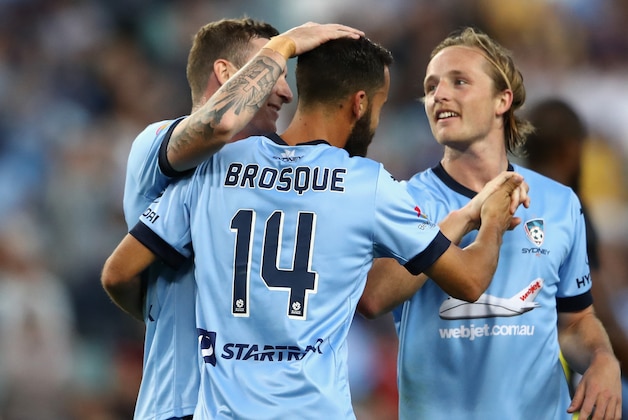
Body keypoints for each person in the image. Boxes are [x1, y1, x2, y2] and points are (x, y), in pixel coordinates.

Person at [101, 33, 528, 419]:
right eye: (378, 107)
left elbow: (118, 272)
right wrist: (490, 219)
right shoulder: (366, 184)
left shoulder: (215, 168)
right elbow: (469, 282)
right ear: (359, 103)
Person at [103, 18, 366, 420]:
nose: (285, 91)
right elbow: (219, 124)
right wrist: (287, 43)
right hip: (181, 403)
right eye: (276, 70)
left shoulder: (277, 172)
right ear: (226, 73)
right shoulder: (156, 143)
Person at [358, 27, 622, 419]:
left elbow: (574, 321)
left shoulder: (559, 202)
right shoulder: (403, 199)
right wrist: (464, 220)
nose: (438, 95)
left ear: (503, 100)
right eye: (431, 86)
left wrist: (602, 359)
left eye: (458, 81)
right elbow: (374, 297)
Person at [524, 97, 628, 418]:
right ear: (571, 150)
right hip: (555, 389)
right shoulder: (569, 210)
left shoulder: (505, 201)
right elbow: (597, 314)